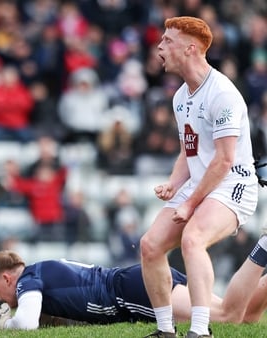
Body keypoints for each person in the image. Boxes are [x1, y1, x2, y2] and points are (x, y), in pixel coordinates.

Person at [139, 16, 258, 338]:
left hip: (234, 182)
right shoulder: (181, 96)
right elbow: (188, 151)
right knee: (149, 246)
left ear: (190, 48)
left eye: (167, 41)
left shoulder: (222, 95)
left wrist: (189, 203)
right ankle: (165, 330)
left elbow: (224, 160)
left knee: (193, 240)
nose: (160, 47)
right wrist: (174, 183)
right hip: (201, 182)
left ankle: (201, 331)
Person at [0, 250, 267, 330]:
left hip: (131, 292)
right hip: (135, 282)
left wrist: (6, 323)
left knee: (227, 316)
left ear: (7, 278)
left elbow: (27, 324)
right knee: (246, 317)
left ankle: (263, 247)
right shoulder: (40, 273)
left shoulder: (28, 279)